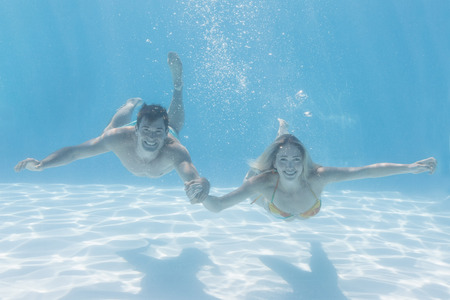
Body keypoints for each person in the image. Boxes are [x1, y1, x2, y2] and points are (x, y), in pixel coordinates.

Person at [14, 52, 209, 203]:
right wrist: (42, 164)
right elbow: (75, 152)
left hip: (165, 131)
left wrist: (200, 185)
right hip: (123, 134)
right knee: (109, 131)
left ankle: (178, 86)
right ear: (136, 129)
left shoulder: (175, 151)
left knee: (175, 124)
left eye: (158, 132)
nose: (151, 137)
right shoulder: (119, 138)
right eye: (147, 131)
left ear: (165, 134)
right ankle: (129, 105)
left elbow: (191, 175)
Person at [199, 119, 437, 220]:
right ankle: (281, 134)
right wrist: (199, 194)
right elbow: (218, 206)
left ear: (305, 160)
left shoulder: (319, 177)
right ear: (275, 163)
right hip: (273, 208)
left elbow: (367, 171)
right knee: (250, 182)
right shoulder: (263, 182)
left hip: (307, 210)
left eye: (296, 159)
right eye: (283, 160)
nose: (290, 167)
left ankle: (283, 135)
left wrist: (410, 167)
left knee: (283, 150)